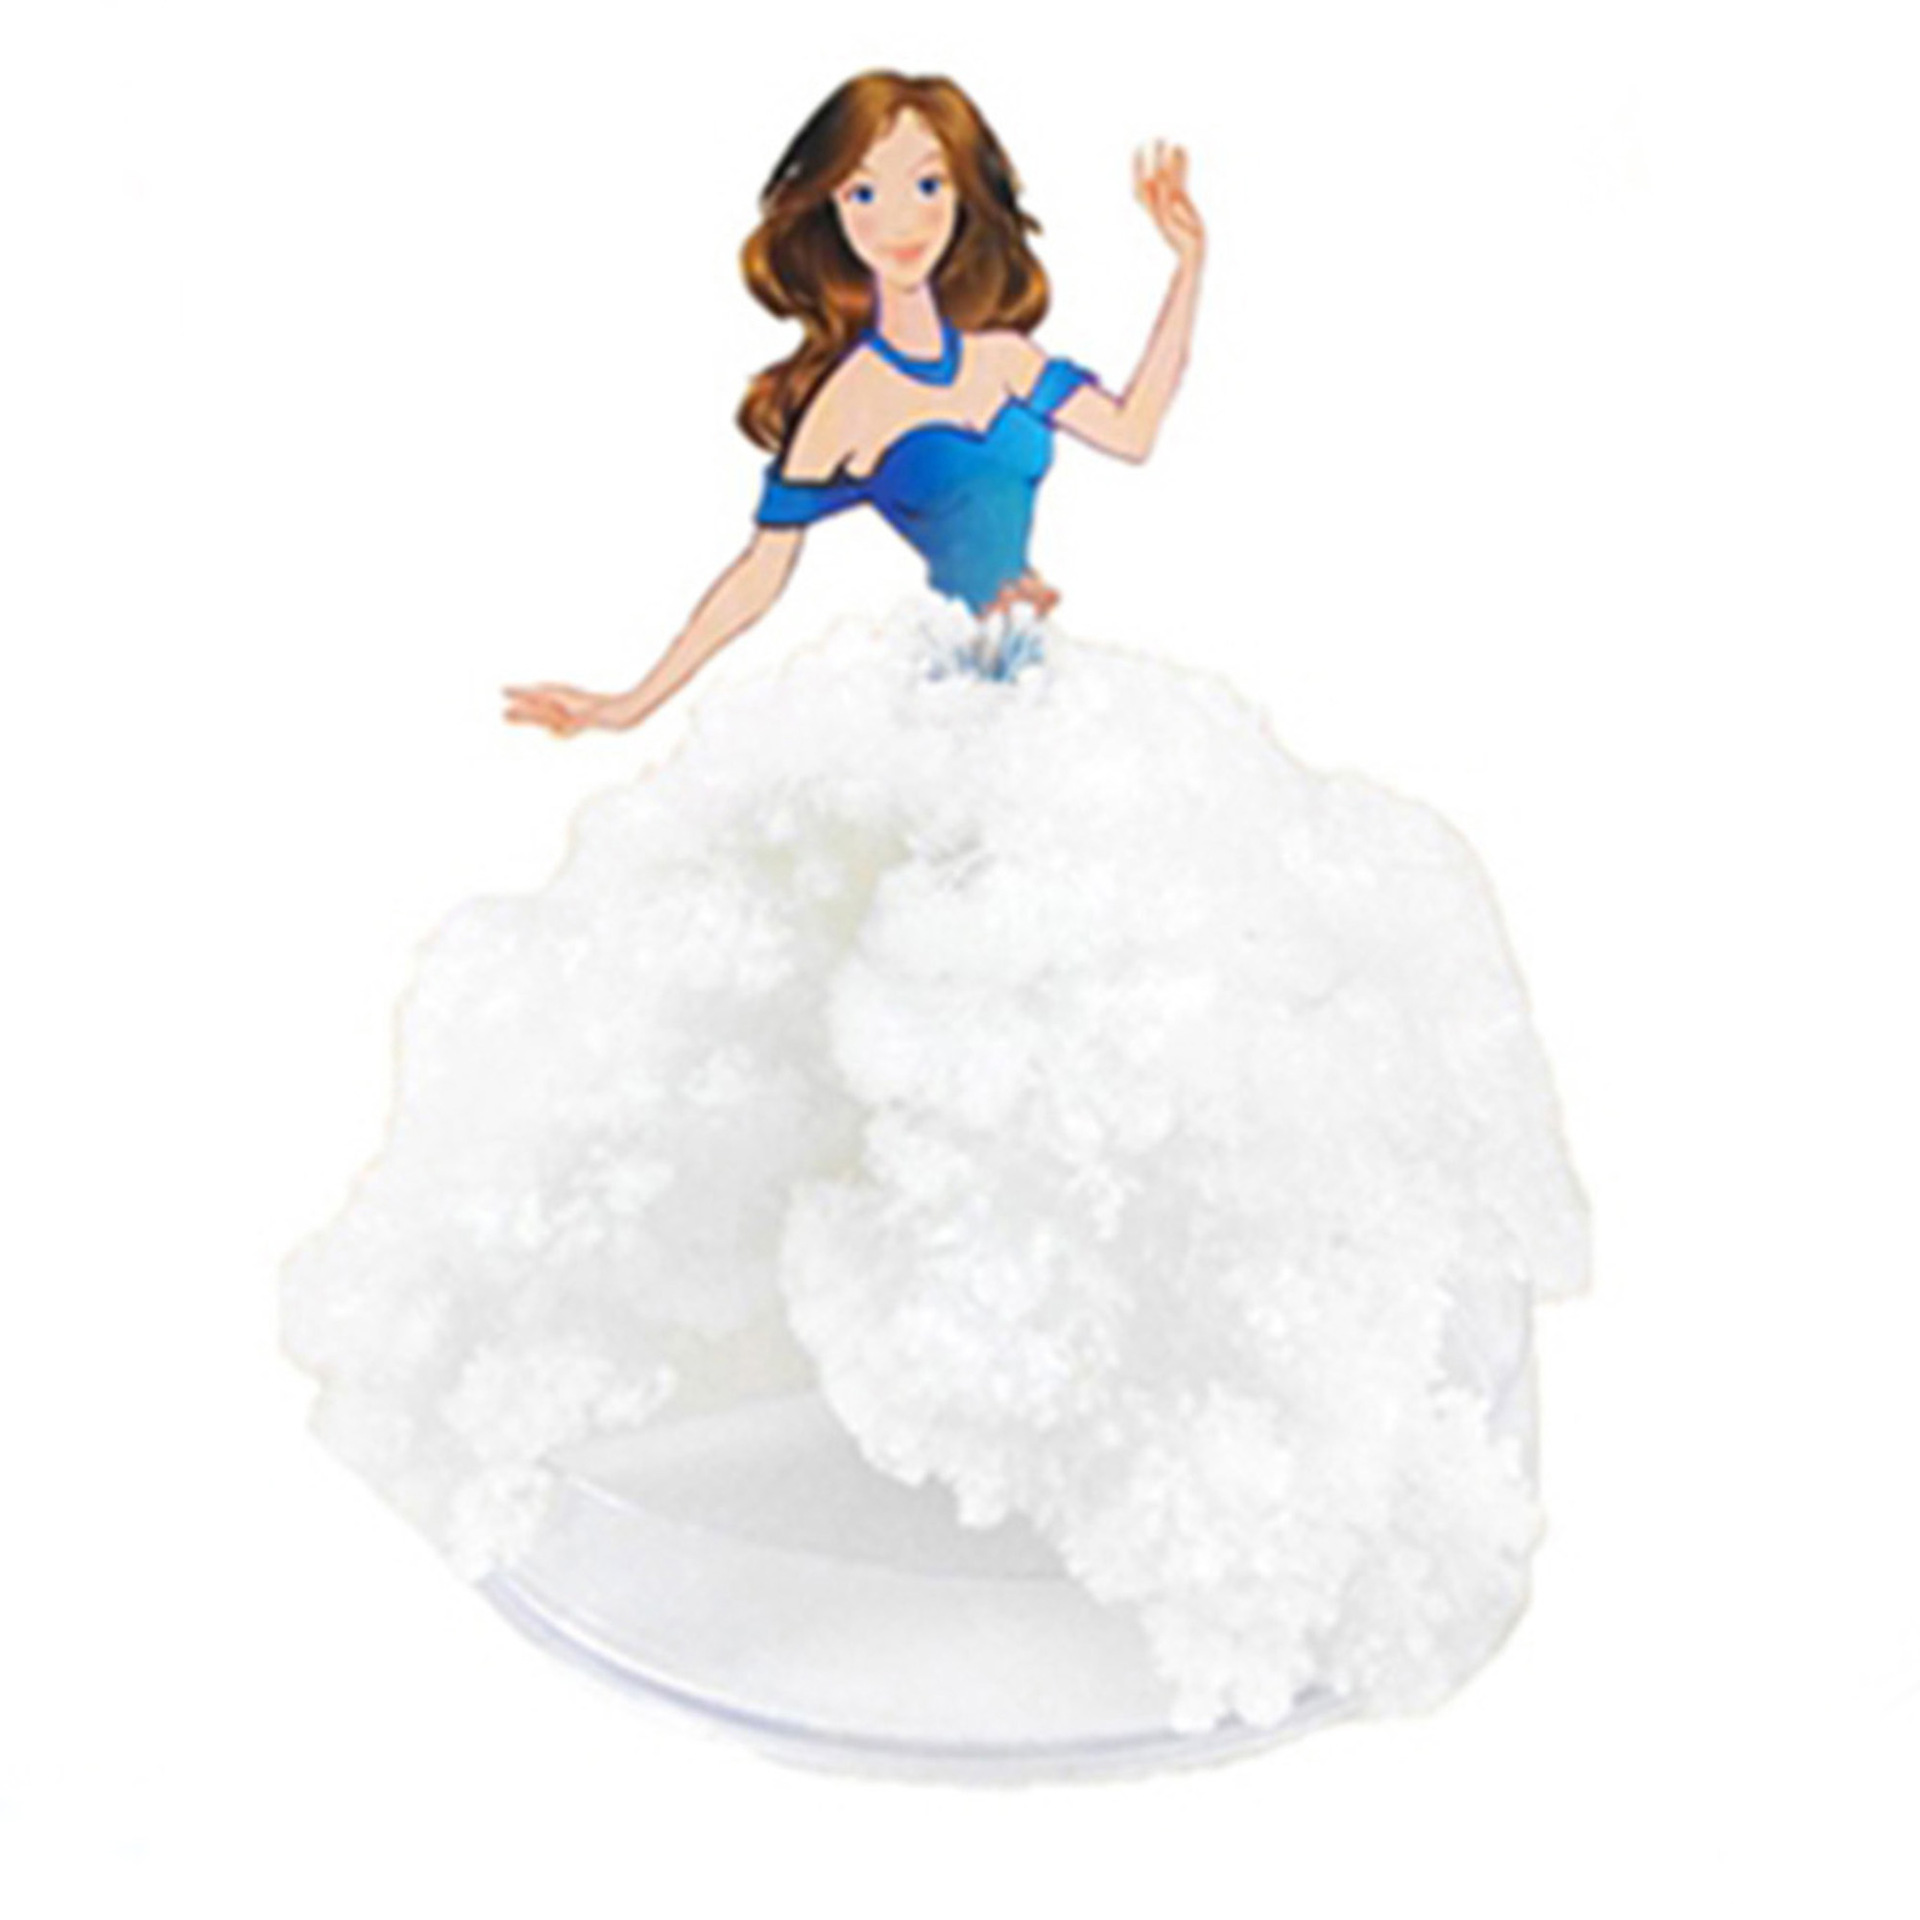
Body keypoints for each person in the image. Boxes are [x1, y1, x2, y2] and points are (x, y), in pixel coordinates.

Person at [281, 70, 1588, 1753]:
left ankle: (1155, 1391)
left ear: (966, 204)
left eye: (923, 188)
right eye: (865, 195)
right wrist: (626, 699)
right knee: (925, 1016)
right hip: (940, 715)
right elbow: (760, 574)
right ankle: (915, 1354)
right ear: (825, 221)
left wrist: (1188, 264)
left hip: (1056, 709)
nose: (897, 219)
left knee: (1149, 1002)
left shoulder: (1007, 361)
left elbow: (1134, 429)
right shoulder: (844, 404)